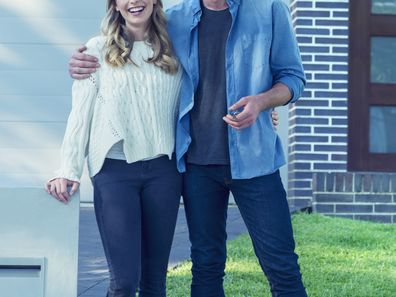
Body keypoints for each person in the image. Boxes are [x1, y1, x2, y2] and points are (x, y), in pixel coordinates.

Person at [69, 0, 307, 296]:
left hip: (255, 161)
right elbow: (135, 48)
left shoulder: (270, 9)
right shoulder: (175, 19)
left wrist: (262, 102)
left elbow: (293, 78)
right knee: (206, 266)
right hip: (196, 166)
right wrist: (87, 59)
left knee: (281, 265)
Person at [46, 0, 183, 296]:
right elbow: (80, 113)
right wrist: (67, 169)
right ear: (115, 5)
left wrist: (265, 110)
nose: (135, 1)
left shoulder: (175, 48)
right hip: (114, 171)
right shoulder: (97, 49)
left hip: (164, 172)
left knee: (155, 282)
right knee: (124, 282)